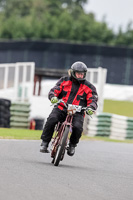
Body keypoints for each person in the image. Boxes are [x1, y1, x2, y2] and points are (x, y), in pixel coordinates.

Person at [40, 61, 98, 156]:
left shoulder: (90, 87)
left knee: (78, 127)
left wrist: (91, 108)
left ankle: (72, 145)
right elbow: (55, 90)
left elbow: (93, 99)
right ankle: (45, 143)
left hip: (78, 112)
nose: (80, 76)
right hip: (61, 107)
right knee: (52, 119)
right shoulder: (64, 80)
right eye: (78, 74)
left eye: (82, 74)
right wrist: (53, 97)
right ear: (73, 72)